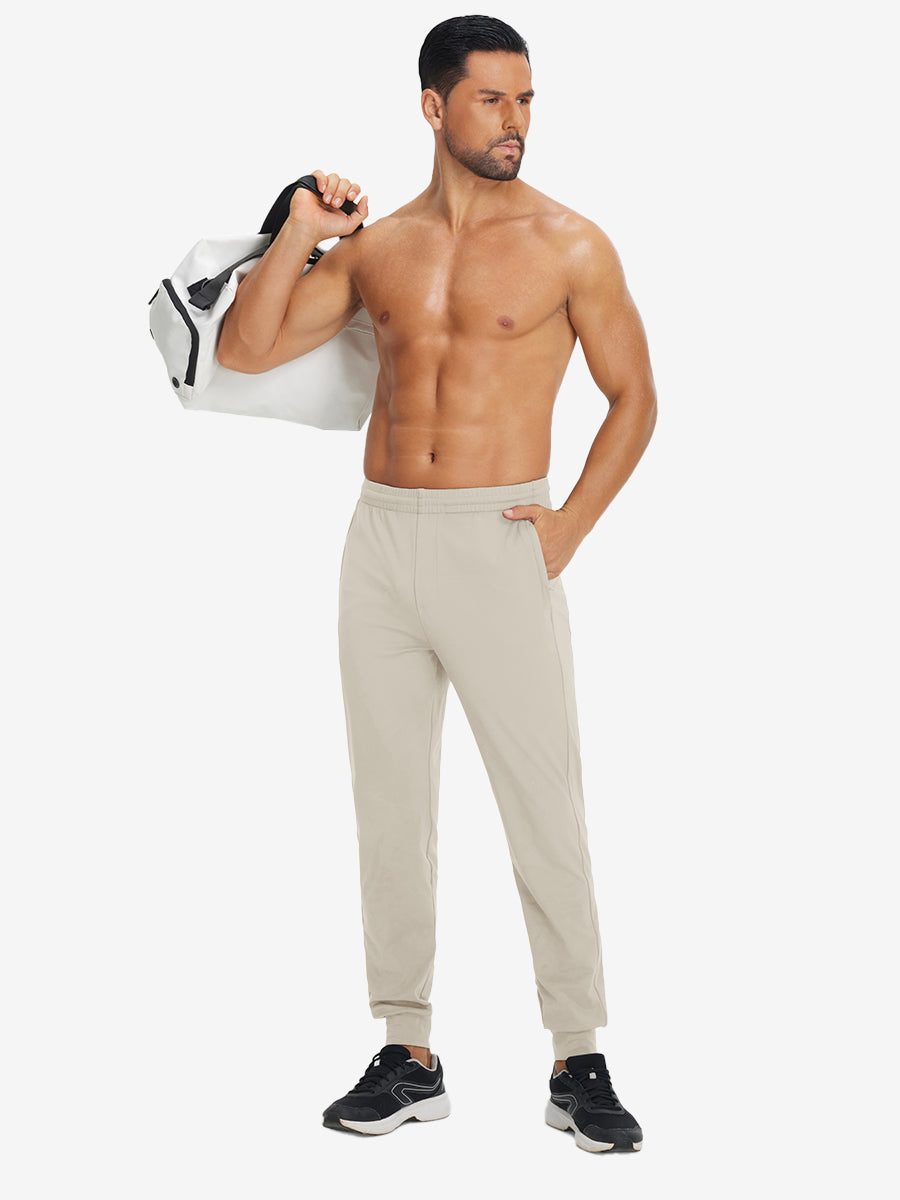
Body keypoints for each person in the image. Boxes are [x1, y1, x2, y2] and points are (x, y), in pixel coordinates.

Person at [217, 14, 656, 1154]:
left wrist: (568, 529)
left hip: (500, 536)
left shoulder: (571, 243)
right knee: (390, 807)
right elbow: (246, 349)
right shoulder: (381, 249)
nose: (515, 121)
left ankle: (578, 1056)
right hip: (381, 543)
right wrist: (300, 230)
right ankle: (407, 1051)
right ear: (433, 106)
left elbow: (636, 398)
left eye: (526, 100)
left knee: (543, 804)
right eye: (492, 100)